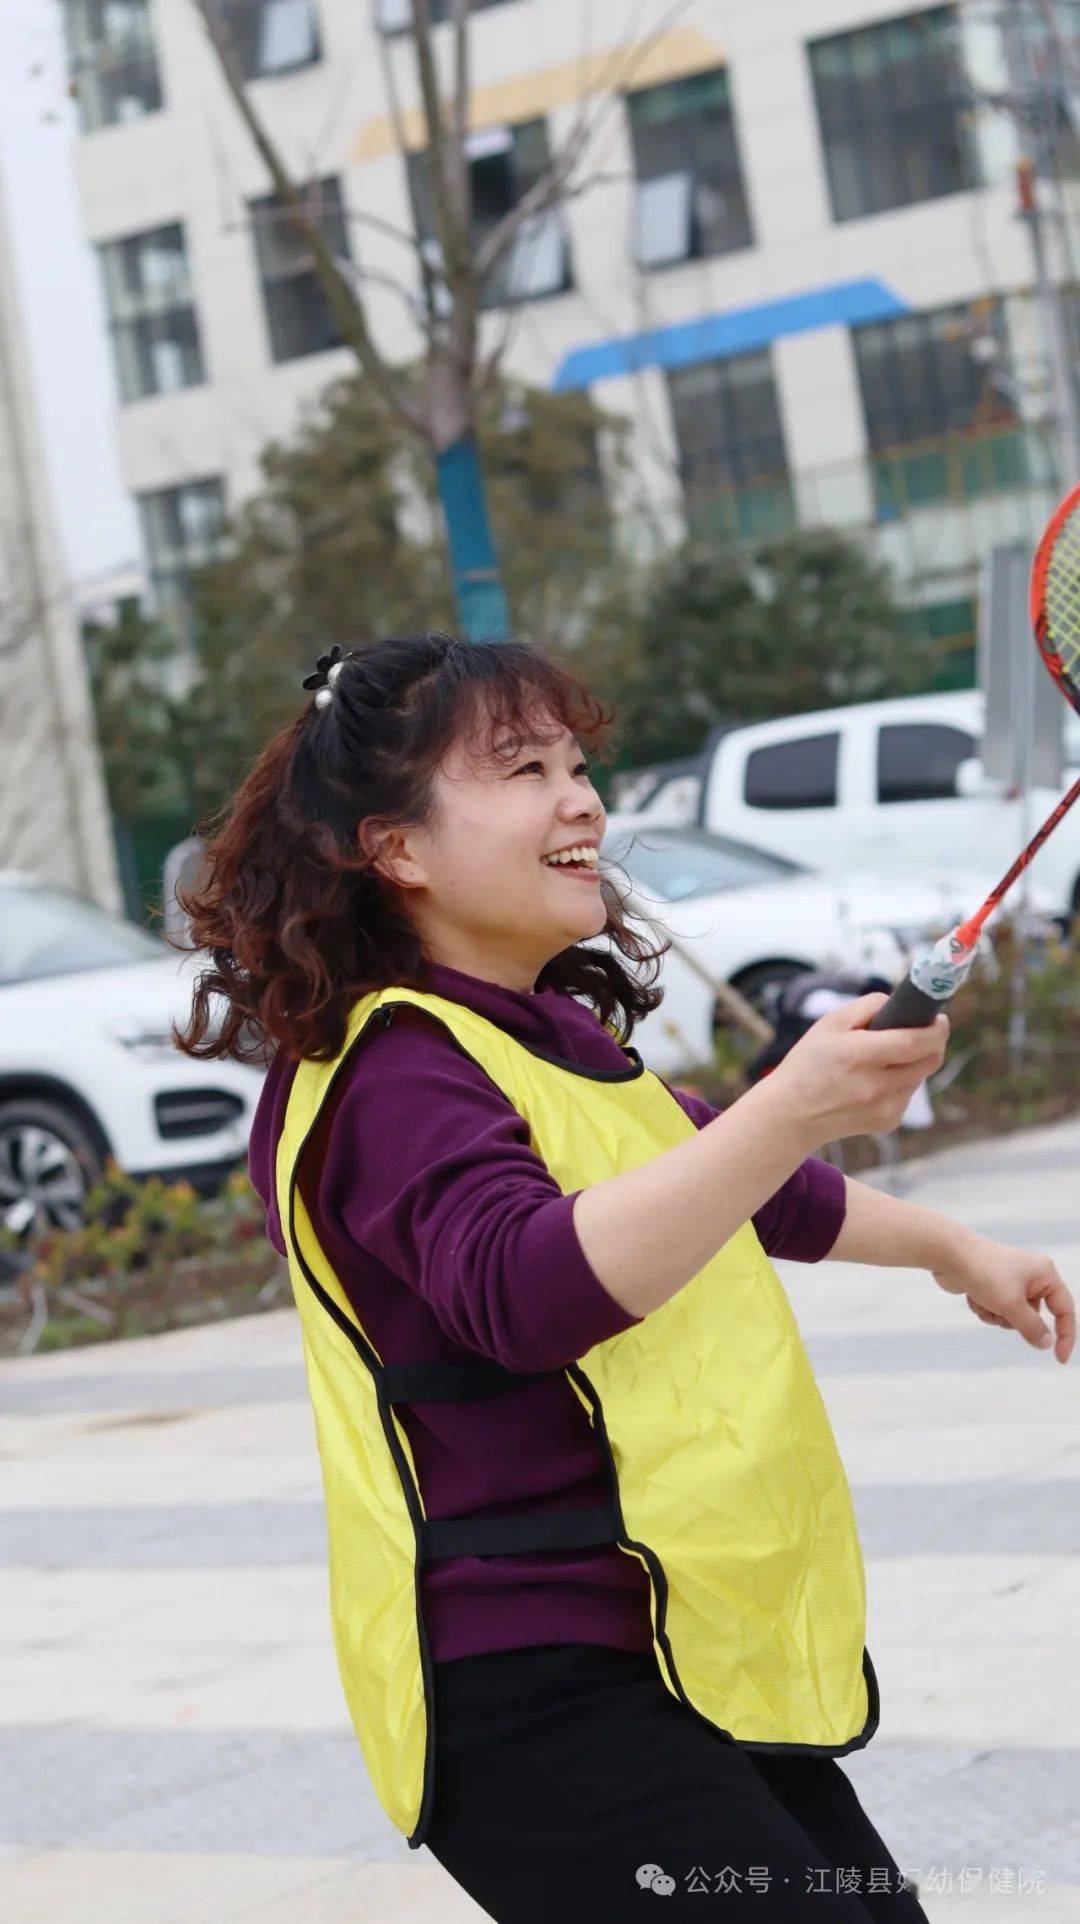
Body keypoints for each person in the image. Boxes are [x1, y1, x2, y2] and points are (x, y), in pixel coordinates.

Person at [173, 633, 1074, 1923]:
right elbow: (527, 1291)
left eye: (580, 764)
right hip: (529, 1689)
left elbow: (744, 1184)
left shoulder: (537, 1036)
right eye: (524, 769)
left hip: (669, 1647)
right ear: (398, 848)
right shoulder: (391, 1071)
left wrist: (954, 1249)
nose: (581, 798)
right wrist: (791, 1111)